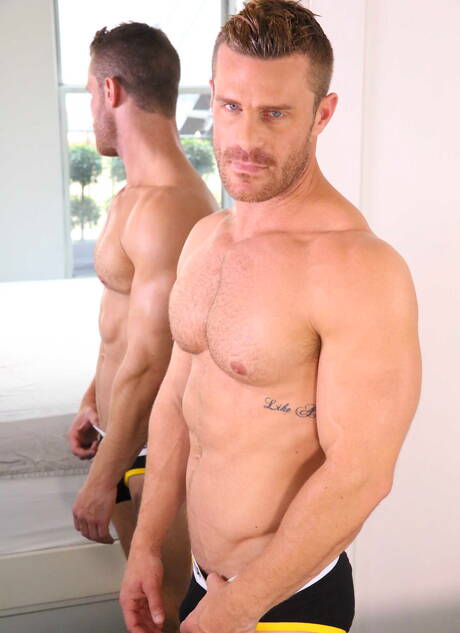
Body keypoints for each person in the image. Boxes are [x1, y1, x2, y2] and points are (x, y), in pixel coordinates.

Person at [119, 2, 421, 633]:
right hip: (205, 585)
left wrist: (241, 605)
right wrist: (147, 543)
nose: (246, 139)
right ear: (213, 96)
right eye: (231, 106)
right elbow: (176, 399)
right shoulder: (205, 238)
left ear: (323, 114)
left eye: (275, 113)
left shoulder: (358, 267)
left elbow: (362, 473)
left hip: (285, 601)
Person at [67, 21, 217, 631]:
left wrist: (102, 477)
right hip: (124, 435)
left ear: (111, 91)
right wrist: (92, 399)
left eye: (88, 93)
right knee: (149, 614)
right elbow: (123, 326)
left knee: (166, 613)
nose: (90, 110)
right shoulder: (131, 197)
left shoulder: (171, 206)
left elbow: (154, 357)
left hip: (158, 447)